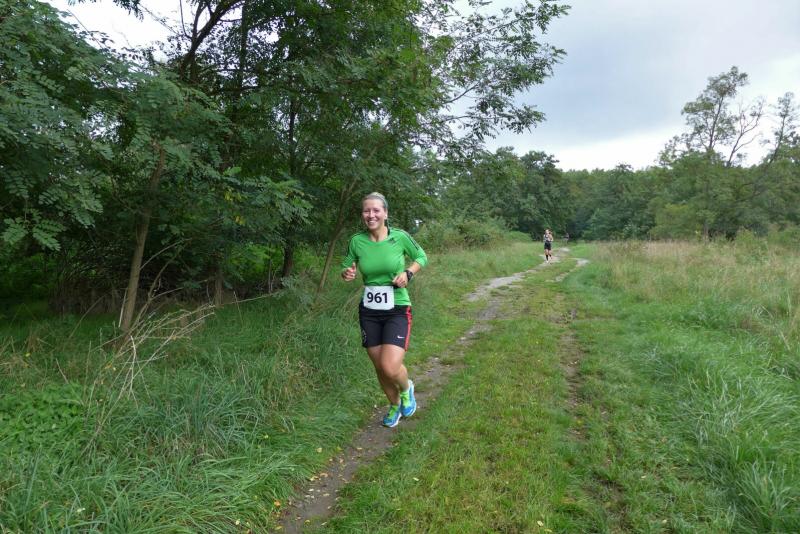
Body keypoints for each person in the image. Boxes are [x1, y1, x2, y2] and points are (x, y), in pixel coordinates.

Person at [341, 192, 428, 427]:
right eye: (366, 211)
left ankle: (406, 388)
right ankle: (394, 405)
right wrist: (347, 272)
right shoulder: (357, 241)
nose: (371, 215)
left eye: (376, 210)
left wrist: (408, 273)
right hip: (369, 311)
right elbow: (346, 264)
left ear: (385, 213)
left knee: (390, 366)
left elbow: (421, 256)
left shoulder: (399, 237)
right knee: (380, 367)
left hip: (397, 308)